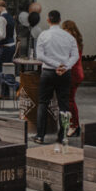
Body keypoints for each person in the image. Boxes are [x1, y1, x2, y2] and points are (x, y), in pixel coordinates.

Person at [33, 11, 80, 144]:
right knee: (64, 105)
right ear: (60, 20)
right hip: (64, 73)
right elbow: (75, 56)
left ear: (48, 20)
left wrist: (55, 65)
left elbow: (40, 56)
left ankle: (40, 135)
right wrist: (64, 66)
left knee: (43, 103)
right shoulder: (69, 37)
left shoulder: (43, 35)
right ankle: (63, 135)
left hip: (48, 72)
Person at [61, 20, 85, 138]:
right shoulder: (76, 40)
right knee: (69, 100)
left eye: (65, 29)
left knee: (69, 100)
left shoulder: (70, 41)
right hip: (76, 72)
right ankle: (73, 125)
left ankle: (74, 126)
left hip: (73, 73)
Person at [0, 0, 18, 99]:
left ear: (0, 7)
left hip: (4, 47)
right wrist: (14, 46)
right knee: (6, 70)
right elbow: (14, 34)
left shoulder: (1, 18)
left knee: (0, 70)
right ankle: (5, 94)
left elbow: (2, 35)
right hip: (11, 46)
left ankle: (18, 87)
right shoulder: (10, 17)